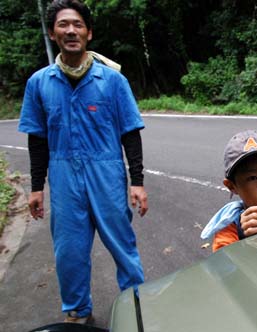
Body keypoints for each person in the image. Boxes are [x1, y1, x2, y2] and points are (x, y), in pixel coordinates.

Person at [18, 0, 148, 324]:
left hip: (106, 172)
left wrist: (138, 181)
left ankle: (136, 307)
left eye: (77, 24)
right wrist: (36, 188)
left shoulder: (113, 81)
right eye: (63, 24)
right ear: (52, 33)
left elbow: (130, 133)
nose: (71, 30)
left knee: (122, 245)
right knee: (69, 252)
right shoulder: (39, 83)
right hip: (63, 178)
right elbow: (37, 140)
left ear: (88, 33)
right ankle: (77, 312)